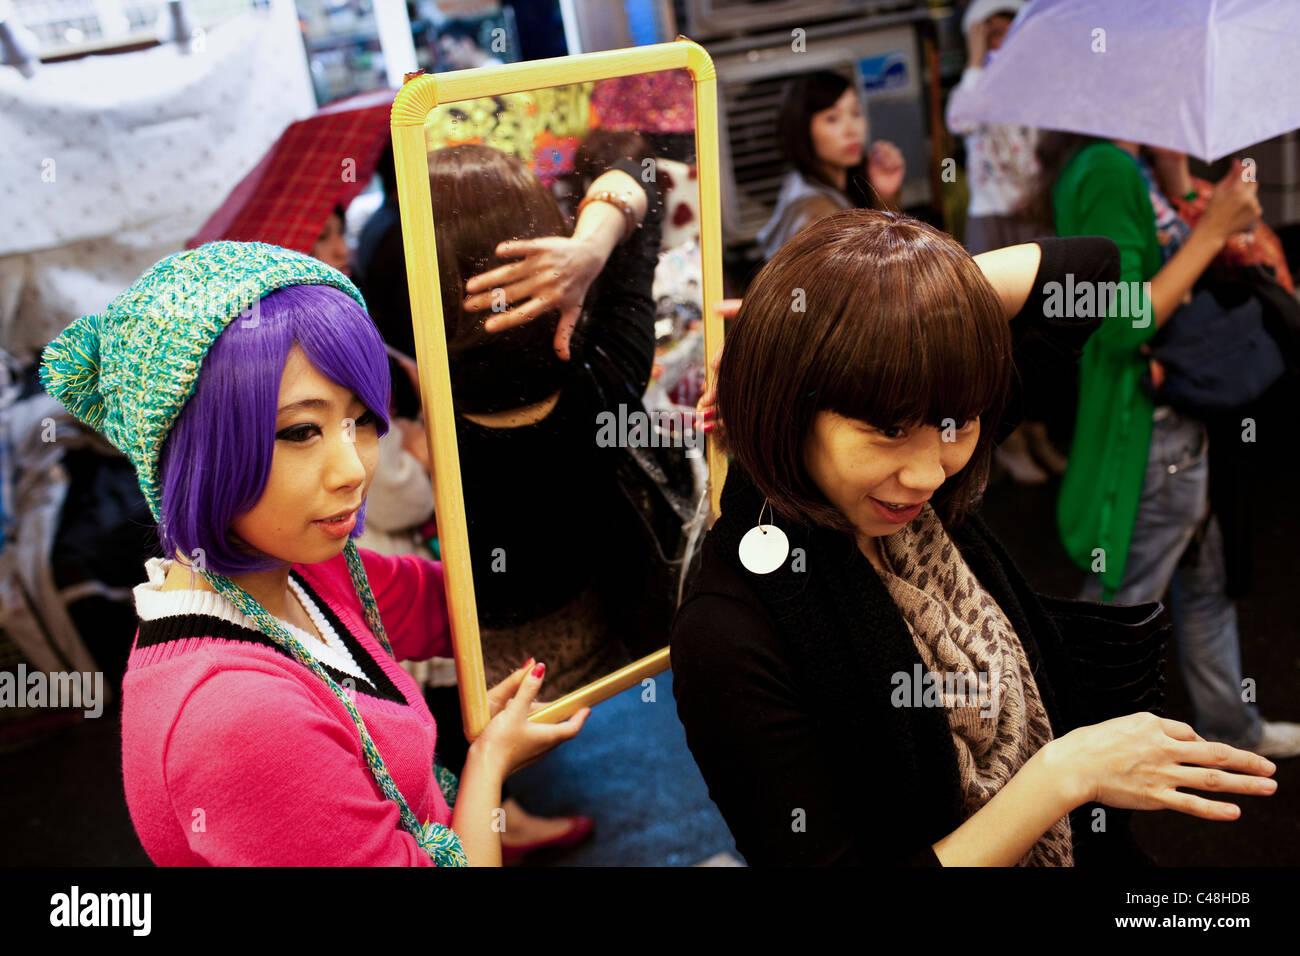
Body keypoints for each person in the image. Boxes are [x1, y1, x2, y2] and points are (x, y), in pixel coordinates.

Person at [672, 209, 1279, 866]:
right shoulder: (727, 633)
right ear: (786, 404)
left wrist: (903, 306)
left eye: (957, 424)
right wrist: (1060, 776)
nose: (929, 473)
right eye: (890, 431)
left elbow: (1094, 271)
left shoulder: (906, 477)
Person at [38, 242, 588, 865]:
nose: (353, 469)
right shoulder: (235, 719)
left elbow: (459, 603)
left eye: (359, 420)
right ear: (195, 450)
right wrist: (489, 762)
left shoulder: (302, 569)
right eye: (301, 431)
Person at [1038, 133, 1300, 758]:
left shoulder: (1128, 162)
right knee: (1120, 609)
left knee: (1203, 585)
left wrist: (1176, 174)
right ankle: (1075, 760)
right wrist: (1213, 227)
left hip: (1178, 420)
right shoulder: (1106, 168)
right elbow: (1124, 317)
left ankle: (1231, 728)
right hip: (1150, 433)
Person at [945, 0, 1064, 485]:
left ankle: (1036, 433)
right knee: (998, 339)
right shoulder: (976, 88)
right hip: (991, 220)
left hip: (1035, 217)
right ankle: (1009, 445)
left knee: (1041, 335)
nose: (1001, 39)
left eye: (1008, 28)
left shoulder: (1037, 83)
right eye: (990, 30)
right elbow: (960, 121)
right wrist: (976, 57)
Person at [756, 70, 906, 260]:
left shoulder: (804, 184)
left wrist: (883, 195)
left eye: (855, 113)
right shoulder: (818, 215)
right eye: (832, 118)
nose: (852, 130)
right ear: (802, 129)